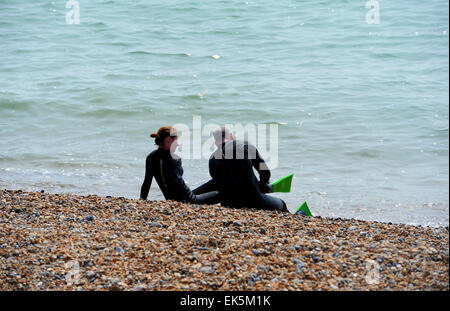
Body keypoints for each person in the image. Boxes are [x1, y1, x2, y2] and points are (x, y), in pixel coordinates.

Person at [194, 126, 288, 212]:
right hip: (255, 201)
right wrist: (263, 186)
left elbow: (217, 184)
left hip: (229, 205)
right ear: (231, 136)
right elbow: (265, 172)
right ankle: (297, 214)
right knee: (282, 204)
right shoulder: (245, 145)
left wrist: (193, 194)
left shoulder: (212, 158)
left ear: (215, 142)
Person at [140, 126, 219, 204]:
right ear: (168, 140)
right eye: (176, 141)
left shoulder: (151, 157)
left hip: (172, 199)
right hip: (186, 200)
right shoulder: (174, 159)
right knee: (220, 194)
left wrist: (141, 201)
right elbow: (179, 185)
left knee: (213, 183)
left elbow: (147, 183)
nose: (177, 144)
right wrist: (188, 200)